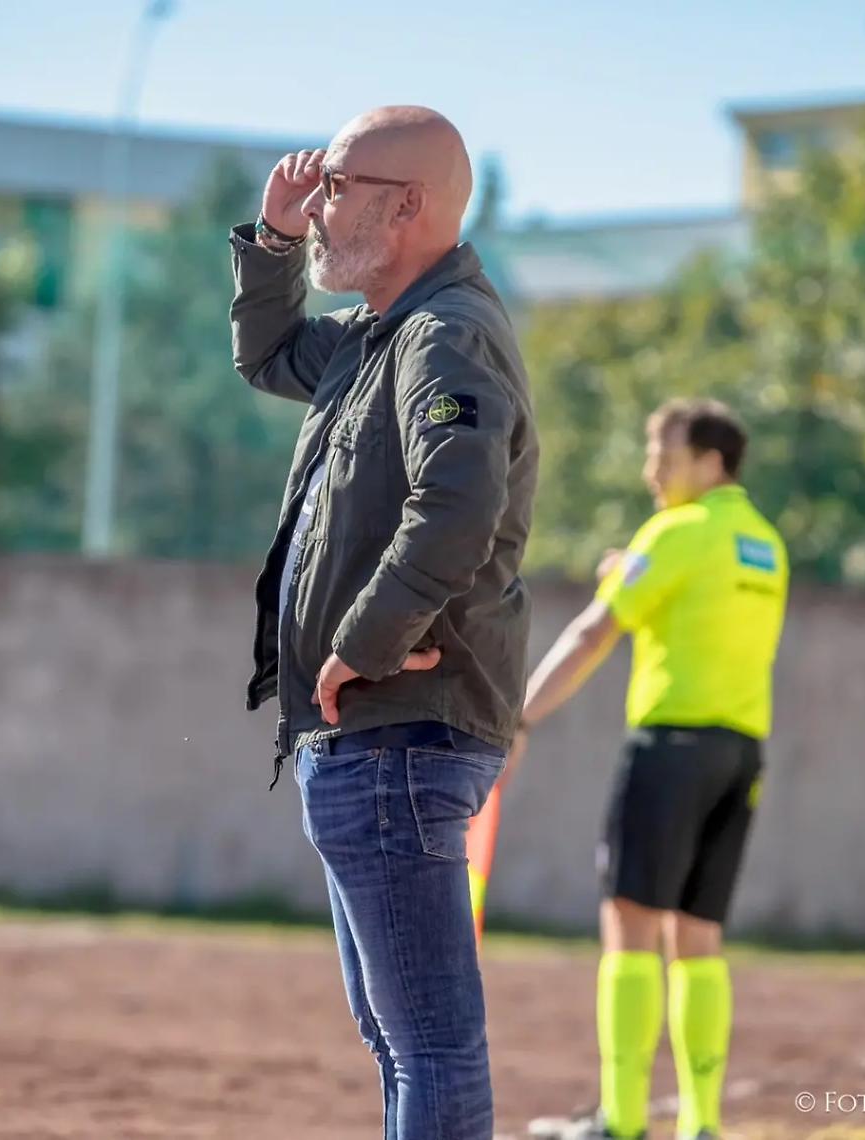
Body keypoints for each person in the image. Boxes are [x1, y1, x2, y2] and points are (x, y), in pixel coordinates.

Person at [228, 105, 539, 1140]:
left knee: (430, 1042)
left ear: (406, 205)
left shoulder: (443, 334)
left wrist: (361, 642)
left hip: (403, 726)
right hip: (378, 732)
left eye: (339, 187)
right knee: (403, 1037)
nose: (317, 205)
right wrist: (270, 242)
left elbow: (459, 504)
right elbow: (268, 354)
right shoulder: (384, 335)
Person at [511, 399, 788, 1140]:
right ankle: (701, 1124)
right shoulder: (763, 544)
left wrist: (522, 715)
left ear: (709, 462)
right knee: (698, 940)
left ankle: (622, 1122)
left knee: (629, 929)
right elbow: (699, 613)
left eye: (662, 456)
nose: (650, 472)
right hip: (740, 757)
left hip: (670, 751)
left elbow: (598, 628)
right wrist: (630, 570)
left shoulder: (676, 533)